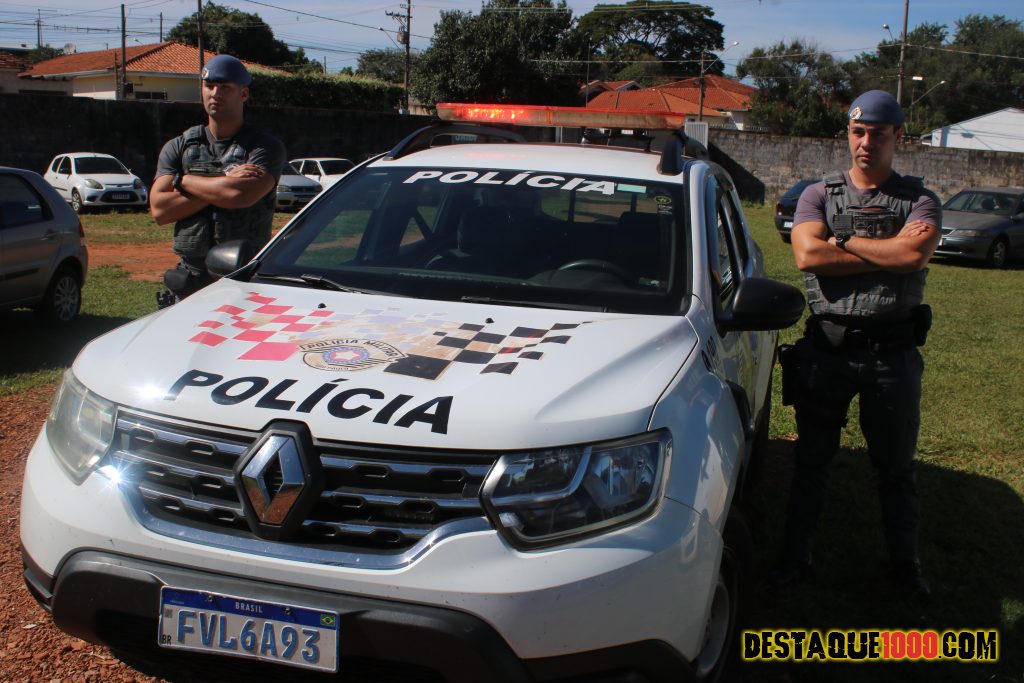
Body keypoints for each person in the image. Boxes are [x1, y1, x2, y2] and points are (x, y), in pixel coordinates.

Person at [773, 90, 942, 598]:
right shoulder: (817, 195)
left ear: (898, 137)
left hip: (891, 356)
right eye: (858, 132)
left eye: (878, 133)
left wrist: (842, 241)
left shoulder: (920, 200)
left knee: (896, 469)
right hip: (827, 352)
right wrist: (885, 250)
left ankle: (905, 567)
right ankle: (795, 558)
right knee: (812, 462)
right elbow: (807, 256)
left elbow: (913, 255)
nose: (866, 143)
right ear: (849, 133)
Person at [150, 54, 285, 304]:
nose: (215, 94)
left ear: (243, 94)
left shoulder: (263, 147)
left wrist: (181, 182)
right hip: (191, 278)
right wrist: (224, 180)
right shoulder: (179, 146)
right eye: (209, 86)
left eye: (225, 88)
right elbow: (160, 210)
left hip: (244, 277)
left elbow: (238, 195)